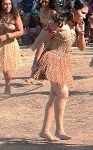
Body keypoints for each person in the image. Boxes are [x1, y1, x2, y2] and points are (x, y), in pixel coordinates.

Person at [31, 12, 77, 142]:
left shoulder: (75, 27)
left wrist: (81, 32)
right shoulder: (58, 24)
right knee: (63, 94)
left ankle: (45, 130)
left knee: (54, 96)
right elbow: (43, 42)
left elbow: (81, 47)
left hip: (64, 61)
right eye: (82, 13)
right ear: (74, 13)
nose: (84, 16)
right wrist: (36, 63)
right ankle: (59, 130)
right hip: (52, 59)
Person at [0, 0, 24, 96]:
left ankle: (7, 88)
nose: (7, 6)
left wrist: (8, 35)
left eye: (9, 4)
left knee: (6, 68)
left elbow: (21, 31)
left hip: (9, 44)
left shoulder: (15, 15)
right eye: (5, 4)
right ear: (1, 5)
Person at [26, 0, 59, 84]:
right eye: (42, 1)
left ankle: (44, 76)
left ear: (50, 3)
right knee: (38, 54)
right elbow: (42, 23)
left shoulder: (53, 12)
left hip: (51, 34)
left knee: (46, 55)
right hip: (43, 33)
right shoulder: (41, 9)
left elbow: (57, 25)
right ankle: (33, 75)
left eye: (46, 2)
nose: (43, 3)